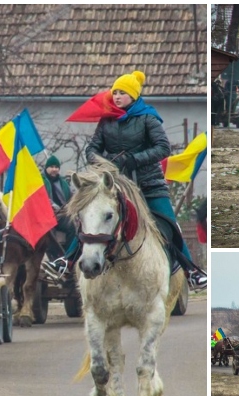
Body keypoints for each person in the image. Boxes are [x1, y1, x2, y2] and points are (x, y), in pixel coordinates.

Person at [62, 70, 206, 289]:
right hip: (114, 185)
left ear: (134, 95)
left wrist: (133, 160)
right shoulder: (107, 120)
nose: (117, 96)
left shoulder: (148, 117)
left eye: (122, 93)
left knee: (169, 224)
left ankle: (190, 271)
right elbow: (92, 149)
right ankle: (67, 259)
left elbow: (163, 148)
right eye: (115, 92)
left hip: (148, 184)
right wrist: (105, 162)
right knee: (90, 216)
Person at [41, 155, 77, 258]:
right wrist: (54, 206)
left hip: (62, 215)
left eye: (56, 167)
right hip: (46, 216)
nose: (54, 169)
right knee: (49, 234)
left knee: (72, 226)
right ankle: (53, 258)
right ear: (46, 168)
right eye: (52, 167)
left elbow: (71, 196)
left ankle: (69, 256)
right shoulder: (40, 181)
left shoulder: (63, 182)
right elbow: (43, 198)